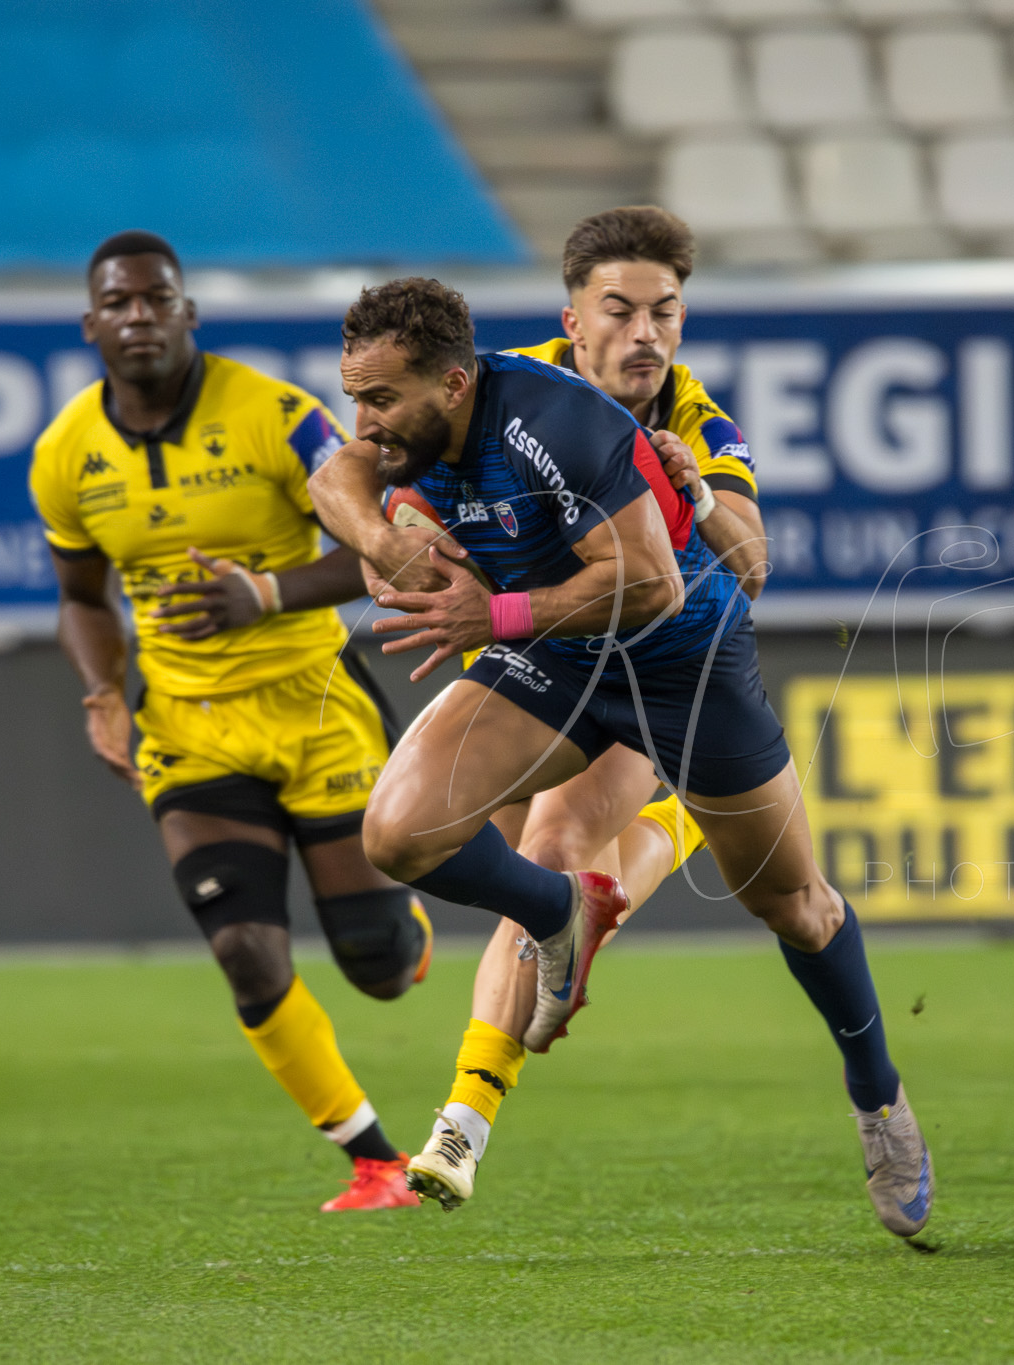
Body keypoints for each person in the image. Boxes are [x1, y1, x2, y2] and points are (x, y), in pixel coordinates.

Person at [308, 277, 932, 1239]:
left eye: (382, 399)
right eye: (357, 396)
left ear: (455, 384)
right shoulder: (408, 433)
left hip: (681, 663)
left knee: (794, 907)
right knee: (396, 833)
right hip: (557, 660)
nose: (366, 422)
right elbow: (332, 483)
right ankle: (562, 909)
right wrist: (388, 542)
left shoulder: (552, 424)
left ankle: (879, 1097)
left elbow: (652, 584)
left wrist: (492, 608)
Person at [28, 231, 431, 1212]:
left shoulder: (279, 418)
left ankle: (402, 925)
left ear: (187, 314)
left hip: (315, 705)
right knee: (244, 950)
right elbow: (82, 597)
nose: (136, 317)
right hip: (189, 726)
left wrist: (266, 591)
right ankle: (375, 1162)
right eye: (116, 304)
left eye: (154, 299)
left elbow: (383, 549)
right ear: (90, 326)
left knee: (377, 968)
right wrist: (99, 693)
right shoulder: (64, 454)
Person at [430, 206, 775, 1166]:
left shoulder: (699, 419)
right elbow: (402, 482)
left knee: (552, 851)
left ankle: (464, 1121)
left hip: (645, 669)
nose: (645, 335)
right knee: (500, 875)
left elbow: (752, 563)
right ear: (572, 319)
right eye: (619, 311)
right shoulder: (504, 388)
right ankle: (672, 829)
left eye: (665, 312)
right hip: (520, 663)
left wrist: (698, 495)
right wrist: (403, 545)